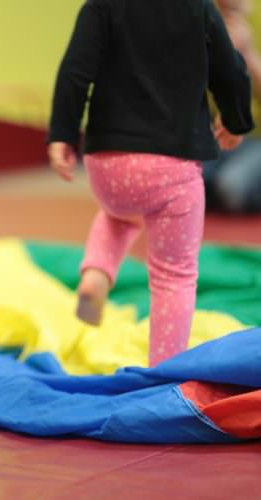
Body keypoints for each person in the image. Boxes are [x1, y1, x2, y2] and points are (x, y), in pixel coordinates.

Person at [47, 0, 254, 366]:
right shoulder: (198, 8)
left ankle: (96, 274)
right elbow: (230, 69)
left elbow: (74, 72)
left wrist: (62, 133)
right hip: (171, 165)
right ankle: (164, 368)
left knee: (118, 213)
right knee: (174, 274)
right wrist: (235, 119)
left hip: (107, 164)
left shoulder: (100, 6)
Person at [203, 0, 261, 213]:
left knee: (231, 187)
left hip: (258, 139)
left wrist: (248, 52)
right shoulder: (205, 14)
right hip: (221, 133)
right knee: (180, 179)